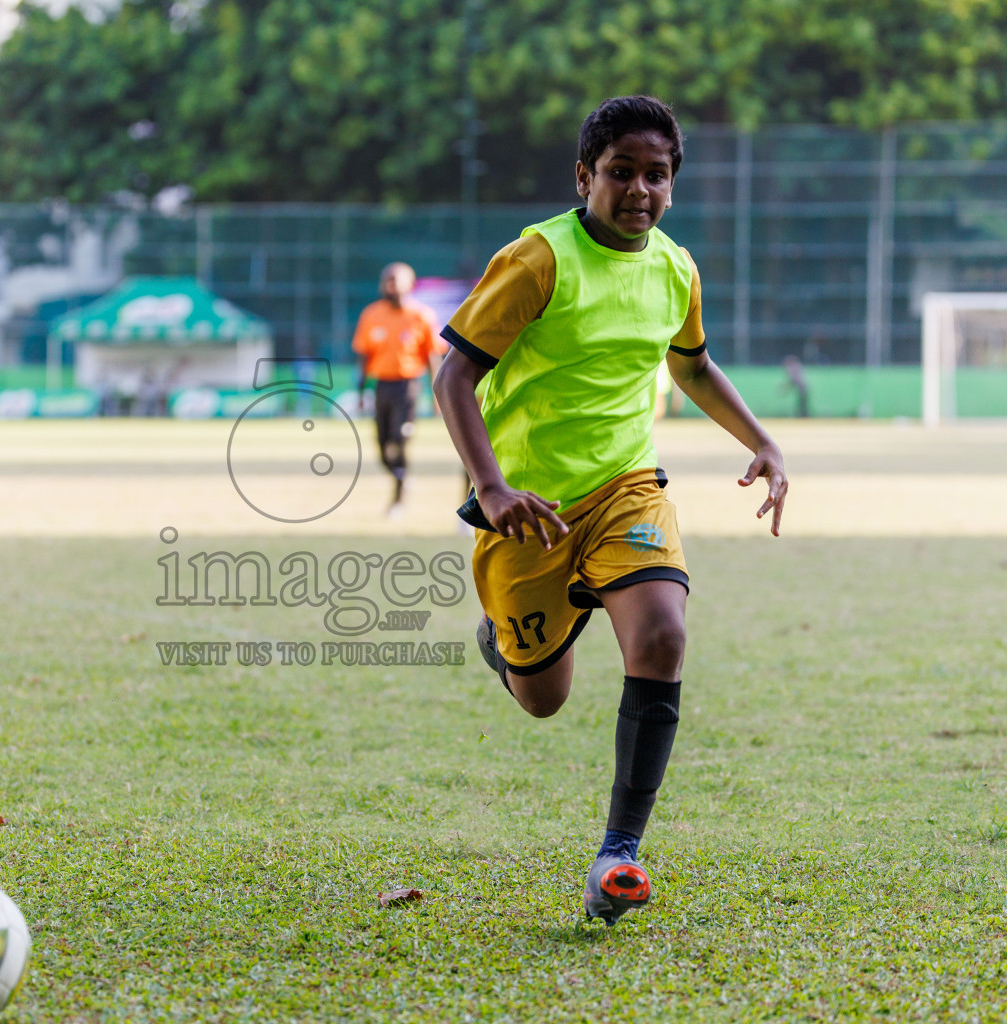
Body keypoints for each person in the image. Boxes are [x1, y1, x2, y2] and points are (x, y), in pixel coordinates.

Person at [432, 96, 789, 927]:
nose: (639, 190)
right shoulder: (536, 262)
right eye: (621, 172)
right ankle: (506, 639)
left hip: (629, 488)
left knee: (664, 633)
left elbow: (692, 368)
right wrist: (490, 490)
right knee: (541, 698)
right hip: (528, 509)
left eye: (656, 175)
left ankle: (617, 854)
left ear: (673, 183)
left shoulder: (675, 269)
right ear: (584, 176)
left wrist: (762, 441)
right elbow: (451, 378)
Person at [351, 262, 444, 517]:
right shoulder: (371, 315)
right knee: (382, 444)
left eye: (396, 280)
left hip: (408, 386)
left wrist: (437, 396)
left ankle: (398, 497)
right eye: (387, 281)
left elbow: (432, 358)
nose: (391, 285)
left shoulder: (421, 316)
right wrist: (360, 392)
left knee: (400, 438)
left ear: (409, 284)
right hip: (382, 385)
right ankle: (399, 474)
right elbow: (363, 356)